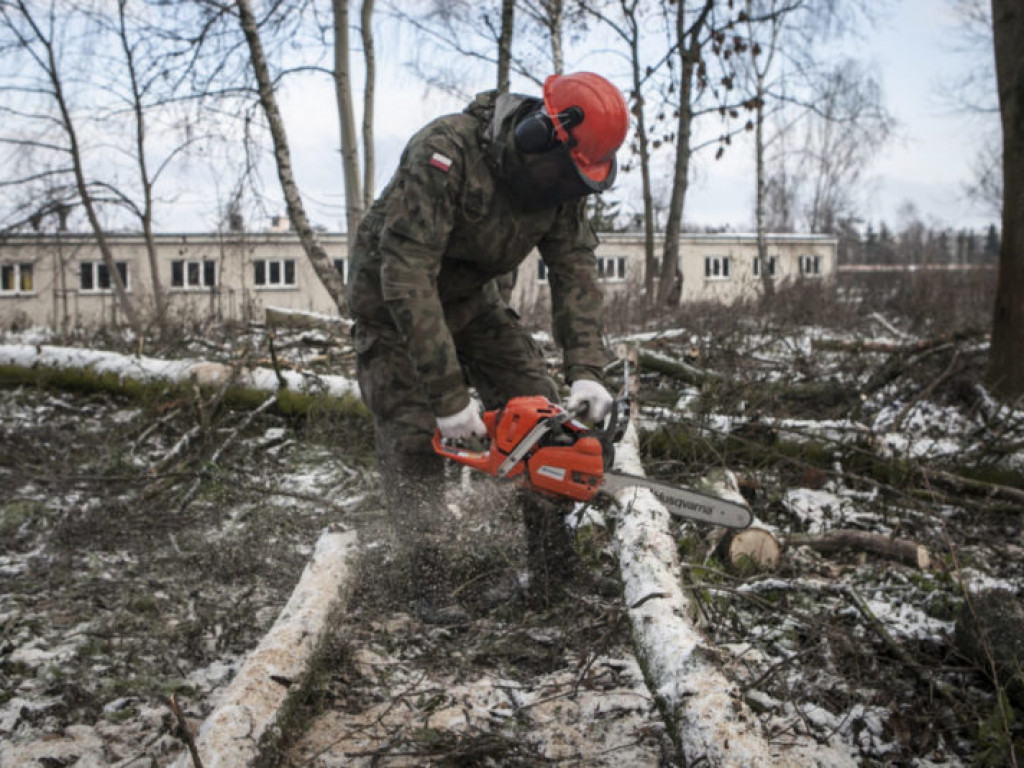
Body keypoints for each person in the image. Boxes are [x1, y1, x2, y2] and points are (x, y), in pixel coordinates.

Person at [346, 72, 629, 620]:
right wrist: (449, 399)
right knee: (414, 434)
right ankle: (427, 580)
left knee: (542, 415)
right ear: (537, 136)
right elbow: (406, 275)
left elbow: (574, 269)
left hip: (473, 301)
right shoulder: (446, 152)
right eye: (566, 174)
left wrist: (587, 370)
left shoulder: (564, 185)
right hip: (392, 305)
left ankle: (552, 568)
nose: (568, 188)